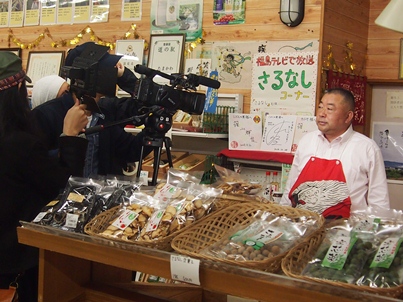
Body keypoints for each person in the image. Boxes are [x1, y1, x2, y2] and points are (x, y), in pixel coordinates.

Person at [0, 52, 88, 301]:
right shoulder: (18, 144)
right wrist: (70, 136)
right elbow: (66, 190)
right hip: (17, 264)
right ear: (18, 88)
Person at [32, 42, 151, 178]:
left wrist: (154, 132)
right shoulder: (46, 115)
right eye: (107, 67)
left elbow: (131, 150)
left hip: (99, 196)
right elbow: (37, 167)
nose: (113, 70)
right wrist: (69, 139)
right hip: (61, 196)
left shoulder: (104, 111)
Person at [280, 87, 390, 219]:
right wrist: (282, 217)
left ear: (348, 116)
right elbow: (291, 186)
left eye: (330, 109)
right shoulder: (307, 141)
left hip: (348, 230)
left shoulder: (367, 148)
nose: (321, 113)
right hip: (303, 226)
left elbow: (379, 202)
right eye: (320, 107)